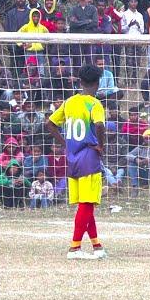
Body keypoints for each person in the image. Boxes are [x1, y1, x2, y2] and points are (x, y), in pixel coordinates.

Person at [45, 64, 108, 260]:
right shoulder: (95, 104)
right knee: (87, 204)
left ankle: (97, 246)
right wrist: (100, 145)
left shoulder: (69, 102)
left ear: (80, 82)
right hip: (89, 156)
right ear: (97, 84)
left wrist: (66, 143)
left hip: (72, 157)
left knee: (85, 204)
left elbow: (49, 124)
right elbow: (99, 125)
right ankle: (75, 247)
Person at [121, 0, 145, 82]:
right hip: (128, 39)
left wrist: (138, 25)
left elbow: (142, 30)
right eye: (132, 1)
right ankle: (127, 78)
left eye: (135, 1)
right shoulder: (124, 14)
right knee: (129, 60)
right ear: (128, 3)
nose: (133, 3)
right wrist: (129, 25)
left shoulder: (140, 15)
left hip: (138, 39)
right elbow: (122, 29)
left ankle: (135, 78)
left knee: (137, 60)